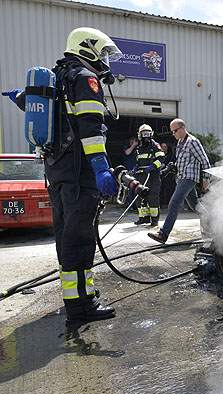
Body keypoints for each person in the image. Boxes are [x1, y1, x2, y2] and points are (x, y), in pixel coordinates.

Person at [2, 27, 122, 323]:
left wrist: (20, 97)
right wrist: (100, 167)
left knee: (66, 238)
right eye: (102, 52)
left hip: (56, 173)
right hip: (79, 175)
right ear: (87, 48)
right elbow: (91, 129)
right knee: (80, 240)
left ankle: (79, 297)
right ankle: (80, 308)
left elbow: (45, 111)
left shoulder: (59, 77)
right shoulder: (83, 78)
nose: (105, 58)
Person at [148, 118, 211, 244]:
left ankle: (163, 234)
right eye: (172, 131)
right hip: (181, 178)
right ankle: (213, 225)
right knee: (195, 205)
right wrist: (171, 168)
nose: (173, 134)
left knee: (174, 203)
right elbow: (181, 161)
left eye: (175, 131)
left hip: (189, 178)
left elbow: (205, 161)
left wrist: (206, 179)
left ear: (183, 128)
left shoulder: (193, 142)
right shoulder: (181, 141)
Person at [133, 124, 164, 226]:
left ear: (151, 134)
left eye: (147, 134)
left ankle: (154, 220)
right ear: (139, 135)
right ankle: (144, 218)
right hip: (141, 175)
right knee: (139, 198)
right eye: (143, 134)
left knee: (152, 199)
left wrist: (153, 167)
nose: (145, 136)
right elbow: (138, 161)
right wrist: (136, 167)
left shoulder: (155, 146)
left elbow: (161, 159)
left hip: (153, 176)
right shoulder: (139, 148)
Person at [122, 137, 138, 209]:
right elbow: (127, 153)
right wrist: (133, 146)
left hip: (137, 170)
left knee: (136, 188)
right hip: (129, 170)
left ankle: (136, 205)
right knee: (130, 188)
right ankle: (130, 204)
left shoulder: (138, 149)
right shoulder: (127, 147)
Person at [159, 142, 176, 207]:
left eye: (165, 147)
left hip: (168, 175)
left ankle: (169, 203)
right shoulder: (159, 156)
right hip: (160, 174)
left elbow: (172, 162)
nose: (164, 148)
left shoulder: (170, 155)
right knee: (161, 189)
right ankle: (161, 203)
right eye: (163, 147)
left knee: (169, 189)